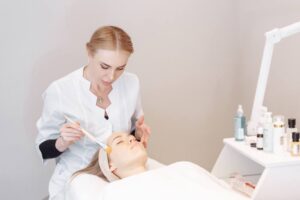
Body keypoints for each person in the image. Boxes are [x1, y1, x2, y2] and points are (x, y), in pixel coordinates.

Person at [35, 26, 151, 200]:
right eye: (105, 66)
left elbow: (131, 133)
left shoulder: (131, 83)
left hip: (121, 178)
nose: (111, 76)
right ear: (89, 52)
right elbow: (43, 149)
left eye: (120, 68)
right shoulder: (60, 91)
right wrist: (63, 141)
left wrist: (138, 134)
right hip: (78, 179)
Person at [67, 132, 249, 200]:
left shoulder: (182, 167)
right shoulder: (116, 192)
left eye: (131, 137)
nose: (131, 138)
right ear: (111, 165)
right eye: (120, 142)